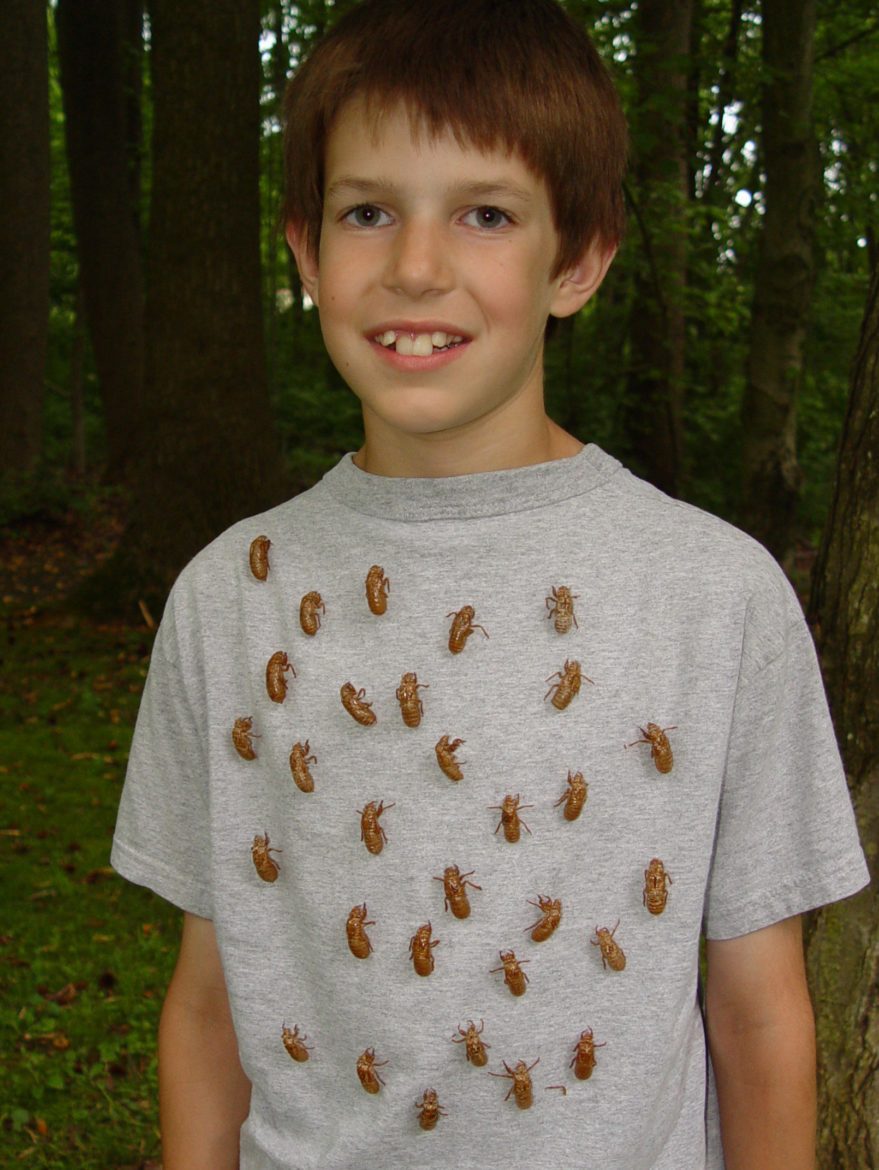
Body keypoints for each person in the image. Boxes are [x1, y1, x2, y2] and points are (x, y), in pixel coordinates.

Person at [111, 1, 869, 1167]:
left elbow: (761, 1015)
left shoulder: (719, 596)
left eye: (485, 214)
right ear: (306, 251)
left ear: (577, 258)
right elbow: (211, 1005)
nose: (417, 267)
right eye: (369, 212)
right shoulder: (228, 599)